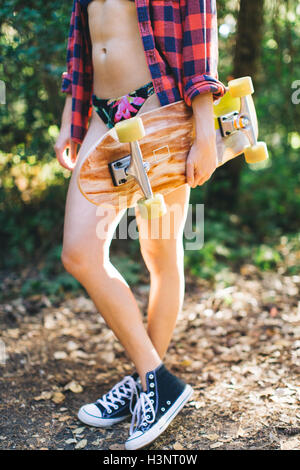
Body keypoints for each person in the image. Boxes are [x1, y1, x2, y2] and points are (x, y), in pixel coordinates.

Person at [55, 0, 225, 450]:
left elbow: (199, 33)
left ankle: (146, 381)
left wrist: (204, 127)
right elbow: (83, 47)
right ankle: (155, 377)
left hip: (159, 109)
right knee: (78, 253)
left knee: (160, 253)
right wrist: (70, 122)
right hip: (100, 115)